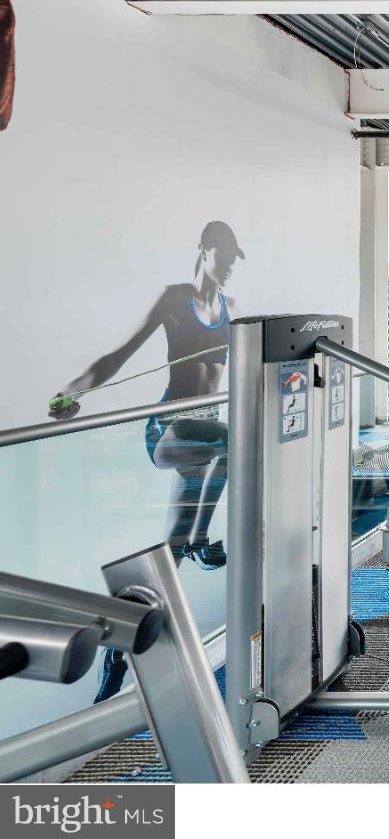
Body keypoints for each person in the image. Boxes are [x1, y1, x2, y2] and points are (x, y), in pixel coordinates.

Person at [49, 221, 244, 701]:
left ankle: (115, 658)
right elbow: (116, 357)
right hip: (171, 431)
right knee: (236, 442)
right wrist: (70, 392)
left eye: (238, 256)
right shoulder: (173, 300)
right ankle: (201, 539)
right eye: (227, 253)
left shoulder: (233, 309)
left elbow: (245, 367)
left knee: (169, 559)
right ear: (204, 250)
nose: (233, 263)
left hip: (209, 439)